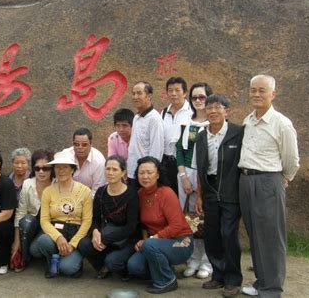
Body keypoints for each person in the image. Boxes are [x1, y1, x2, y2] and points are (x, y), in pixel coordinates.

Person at [238, 75, 299, 298]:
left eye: (262, 90)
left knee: (271, 236)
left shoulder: (281, 123)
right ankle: (261, 282)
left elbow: (291, 158)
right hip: (245, 180)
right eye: (253, 90)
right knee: (255, 233)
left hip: (268, 181)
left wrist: (285, 177)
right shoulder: (248, 120)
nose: (256, 94)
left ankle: (271, 289)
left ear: (273, 94)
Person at [195, 95, 244, 297]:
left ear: (227, 111)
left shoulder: (237, 133)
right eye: (209, 107)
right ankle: (218, 275)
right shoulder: (201, 136)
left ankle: (233, 279)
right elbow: (200, 168)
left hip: (231, 190)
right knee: (212, 234)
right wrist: (199, 196)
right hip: (209, 190)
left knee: (228, 234)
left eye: (218, 107)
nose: (213, 111)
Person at [127, 156, 193, 294]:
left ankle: (167, 281)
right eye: (141, 172)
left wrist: (152, 239)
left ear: (158, 174)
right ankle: (165, 269)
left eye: (149, 172)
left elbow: (177, 225)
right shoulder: (139, 194)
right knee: (134, 266)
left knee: (149, 245)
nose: (145, 176)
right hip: (155, 243)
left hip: (181, 241)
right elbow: (144, 225)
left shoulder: (167, 193)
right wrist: (146, 240)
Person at [78, 155, 138, 280]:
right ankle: (103, 267)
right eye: (108, 169)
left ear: (123, 173)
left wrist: (104, 239)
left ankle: (123, 269)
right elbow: (95, 218)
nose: (110, 173)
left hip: (125, 239)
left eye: (115, 170)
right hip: (107, 233)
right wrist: (95, 231)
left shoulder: (131, 194)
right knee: (84, 244)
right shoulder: (101, 192)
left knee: (113, 261)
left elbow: (131, 227)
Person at [35, 150, 93, 278]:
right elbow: (44, 220)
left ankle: (70, 261)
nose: (61, 171)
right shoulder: (48, 191)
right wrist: (58, 238)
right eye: (57, 167)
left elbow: (87, 221)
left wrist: (72, 244)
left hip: (75, 232)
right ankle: (51, 262)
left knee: (67, 268)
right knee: (43, 241)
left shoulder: (85, 191)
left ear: (72, 169)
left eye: (65, 167)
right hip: (56, 231)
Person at [176, 82, 213, 279]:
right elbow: (179, 151)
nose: (198, 101)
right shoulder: (186, 122)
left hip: (207, 176)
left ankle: (207, 262)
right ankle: (193, 259)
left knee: (206, 218)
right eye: (194, 97)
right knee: (190, 219)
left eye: (202, 97)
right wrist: (183, 177)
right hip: (185, 175)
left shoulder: (214, 124)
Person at [11, 149, 54, 270]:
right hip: (32, 225)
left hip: (51, 226)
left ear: (52, 169)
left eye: (45, 168)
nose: (41, 172)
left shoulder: (57, 185)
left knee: (36, 250)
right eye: (37, 168)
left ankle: (51, 258)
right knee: (26, 220)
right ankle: (24, 258)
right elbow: (20, 213)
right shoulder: (27, 184)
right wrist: (16, 242)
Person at [127, 81, 164, 188]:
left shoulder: (154, 119)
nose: (135, 97)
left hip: (145, 176)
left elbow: (157, 150)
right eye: (133, 93)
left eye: (139, 93)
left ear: (149, 96)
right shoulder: (136, 117)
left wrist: (149, 173)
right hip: (132, 172)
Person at [161, 76, 193, 196]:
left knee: (184, 197)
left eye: (177, 90)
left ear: (185, 93)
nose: (173, 94)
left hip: (183, 163)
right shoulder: (164, 112)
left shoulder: (191, 112)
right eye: (170, 90)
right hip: (165, 163)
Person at [62, 128, 105, 196]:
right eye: (76, 144)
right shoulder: (65, 156)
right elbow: (59, 182)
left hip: (89, 199)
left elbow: (97, 191)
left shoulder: (99, 161)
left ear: (91, 144)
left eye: (84, 145)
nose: (80, 147)